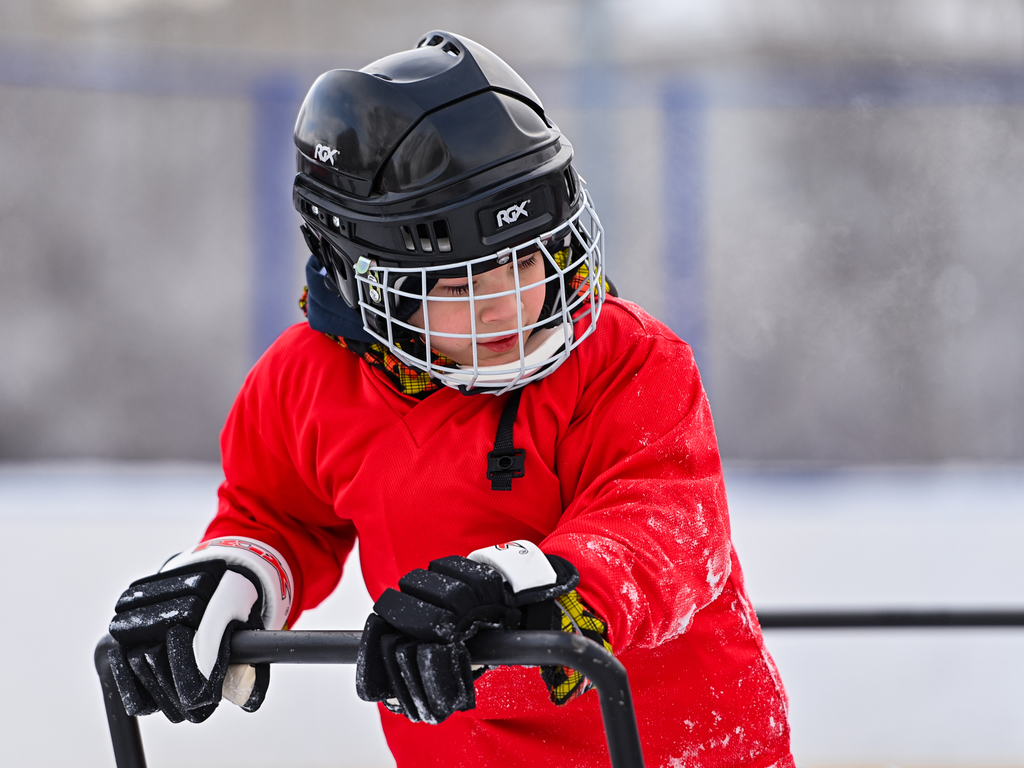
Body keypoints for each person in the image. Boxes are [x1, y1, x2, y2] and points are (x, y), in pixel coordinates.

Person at [106, 30, 795, 767]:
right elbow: (276, 514)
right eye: (458, 285)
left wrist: (531, 586)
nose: (509, 308)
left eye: (525, 261)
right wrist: (237, 575)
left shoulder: (624, 361)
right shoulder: (305, 383)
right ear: (361, 278)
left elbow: (661, 527)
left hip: (673, 749)